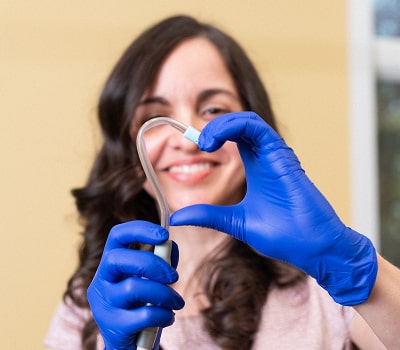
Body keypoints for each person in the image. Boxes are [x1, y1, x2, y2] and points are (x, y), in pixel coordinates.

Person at [45, 15, 400, 350]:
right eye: (155, 116)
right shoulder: (88, 306)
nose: (186, 140)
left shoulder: (324, 289)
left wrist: (352, 267)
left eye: (213, 109)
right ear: (125, 146)